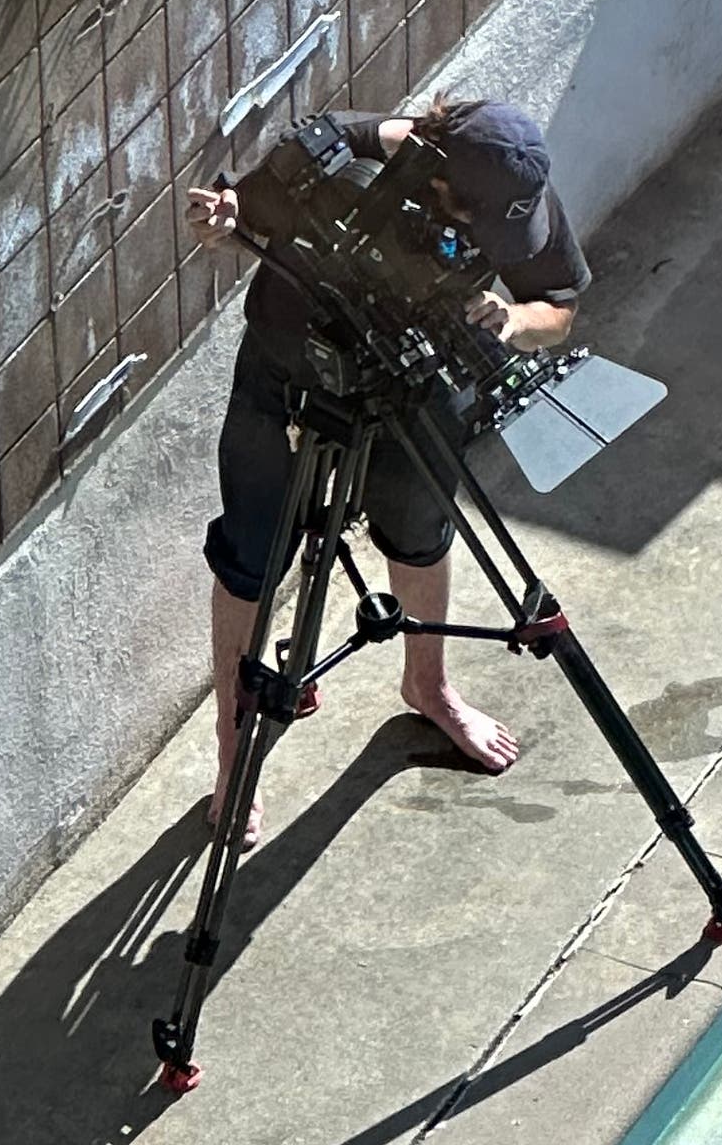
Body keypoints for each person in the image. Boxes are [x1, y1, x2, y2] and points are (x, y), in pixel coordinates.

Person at [186, 98, 586, 827]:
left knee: (420, 532)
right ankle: (231, 750)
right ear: (438, 181)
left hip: (411, 381)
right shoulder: (335, 158)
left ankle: (426, 686)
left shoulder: (514, 184)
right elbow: (245, 223)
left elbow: (557, 307)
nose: (498, 240)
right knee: (252, 553)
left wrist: (513, 319)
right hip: (287, 375)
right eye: (479, 225)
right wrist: (223, 225)